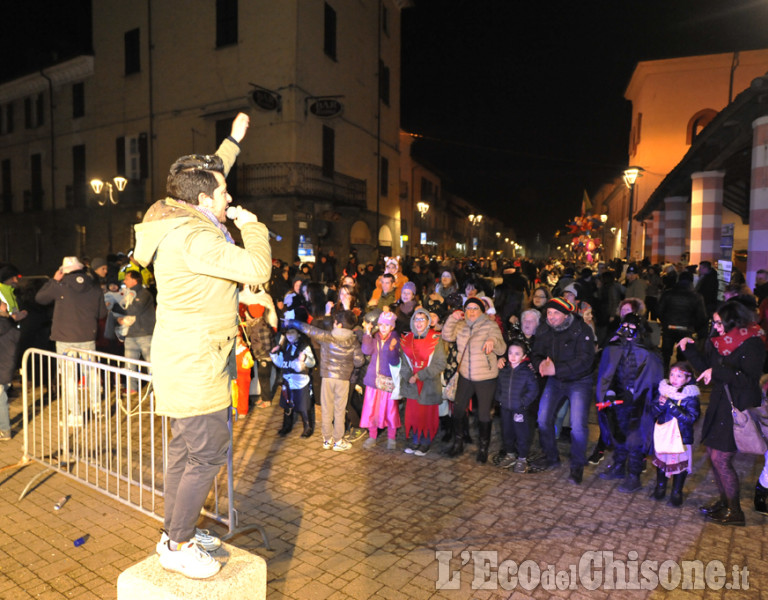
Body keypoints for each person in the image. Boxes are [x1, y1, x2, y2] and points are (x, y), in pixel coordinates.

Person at [133, 113, 273, 578]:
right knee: (208, 454)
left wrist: (233, 140)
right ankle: (177, 543)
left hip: (186, 358)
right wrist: (253, 226)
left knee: (184, 453)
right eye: (223, 193)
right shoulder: (195, 237)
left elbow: (212, 173)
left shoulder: (181, 213)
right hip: (196, 366)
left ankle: (176, 530)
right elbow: (256, 269)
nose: (229, 196)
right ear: (203, 200)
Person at [678, 301, 766, 526]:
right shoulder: (722, 341)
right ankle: (726, 503)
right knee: (714, 455)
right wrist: (689, 348)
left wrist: (718, 371)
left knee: (721, 458)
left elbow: (748, 380)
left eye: (720, 322)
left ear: (733, 321)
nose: (716, 327)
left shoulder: (752, 343)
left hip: (737, 405)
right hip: (720, 403)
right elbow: (706, 367)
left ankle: (735, 512)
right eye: (714, 322)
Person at [529, 297, 596, 484]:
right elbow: (536, 353)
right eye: (549, 313)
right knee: (543, 419)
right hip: (555, 380)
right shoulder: (544, 329)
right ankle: (551, 456)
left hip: (579, 381)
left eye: (556, 313)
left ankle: (577, 465)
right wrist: (540, 363)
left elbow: (585, 361)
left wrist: (557, 369)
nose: (551, 317)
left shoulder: (582, 330)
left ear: (567, 314)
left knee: (578, 426)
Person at [595, 312, 663, 492]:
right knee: (618, 433)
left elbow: (653, 380)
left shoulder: (649, 354)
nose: (627, 331)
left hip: (640, 403)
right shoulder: (613, 348)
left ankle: (634, 476)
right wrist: (608, 392)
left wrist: (644, 398)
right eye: (624, 327)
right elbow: (607, 373)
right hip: (617, 400)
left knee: (636, 439)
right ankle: (618, 467)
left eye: (632, 328)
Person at [286, 311, 364, 452]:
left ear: (338, 324)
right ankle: (338, 441)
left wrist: (292, 322)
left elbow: (309, 329)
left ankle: (327, 439)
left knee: (327, 409)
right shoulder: (353, 341)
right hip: (343, 380)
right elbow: (359, 361)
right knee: (340, 411)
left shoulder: (327, 337)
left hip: (327, 378)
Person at [441, 297, 506, 462]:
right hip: (465, 375)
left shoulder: (490, 325)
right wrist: (451, 318)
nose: (471, 311)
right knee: (458, 410)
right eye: (468, 308)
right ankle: (458, 443)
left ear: (481, 311)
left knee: (483, 415)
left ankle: (483, 448)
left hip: (485, 377)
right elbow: (447, 335)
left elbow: (502, 348)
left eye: (475, 308)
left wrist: (493, 340)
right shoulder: (461, 325)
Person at [650, 361, 701, 506]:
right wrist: (659, 405)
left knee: (680, 466)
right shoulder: (663, 391)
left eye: (679, 376)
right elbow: (652, 412)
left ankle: (676, 491)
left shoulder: (690, 397)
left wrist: (671, 405)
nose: (674, 378)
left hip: (681, 438)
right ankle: (660, 487)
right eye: (672, 374)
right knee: (662, 463)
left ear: (688, 378)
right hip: (665, 435)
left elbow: (691, 418)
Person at [399, 308, 447, 456]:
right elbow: (404, 363)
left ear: (428, 322)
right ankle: (415, 439)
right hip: (412, 384)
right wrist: (408, 377)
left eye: (422, 319)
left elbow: (440, 363)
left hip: (428, 383)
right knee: (414, 413)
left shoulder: (436, 339)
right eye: (416, 319)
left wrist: (420, 375)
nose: (419, 323)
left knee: (426, 414)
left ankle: (425, 441)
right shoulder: (407, 339)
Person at [494, 339, 539, 473]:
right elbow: (499, 386)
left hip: (520, 410)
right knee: (507, 431)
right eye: (510, 353)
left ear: (524, 356)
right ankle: (510, 454)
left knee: (521, 433)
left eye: (517, 354)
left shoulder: (527, 373)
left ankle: (522, 458)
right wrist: (499, 399)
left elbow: (533, 390)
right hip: (505, 408)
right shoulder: (504, 371)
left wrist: (523, 403)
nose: (513, 356)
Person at [361, 311, 402, 450]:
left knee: (391, 410)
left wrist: (392, 349)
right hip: (374, 380)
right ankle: (372, 436)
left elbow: (395, 361)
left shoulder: (395, 339)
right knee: (372, 410)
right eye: (381, 324)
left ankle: (391, 437)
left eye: (387, 325)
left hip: (388, 381)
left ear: (392, 327)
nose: (383, 327)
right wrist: (367, 333)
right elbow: (366, 350)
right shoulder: (374, 338)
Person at [111, 270, 155, 394]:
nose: (124, 281)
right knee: (130, 364)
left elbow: (135, 309)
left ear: (134, 280)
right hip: (131, 334)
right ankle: (132, 388)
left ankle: (156, 386)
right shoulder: (128, 294)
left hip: (145, 333)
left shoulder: (144, 293)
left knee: (150, 362)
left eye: (127, 278)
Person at [270, 323, 316, 437]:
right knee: (287, 404)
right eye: (287, 333)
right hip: (287, 380)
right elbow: (281, 362)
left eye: (292, 332)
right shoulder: (285, 346)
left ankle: (307, 427)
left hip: (300, 381)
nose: (289, 335)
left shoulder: (304, 347)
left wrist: (305, 358)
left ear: (299, 334)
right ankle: (287, 426)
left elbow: (312, 363)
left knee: (303, 406)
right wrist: (273, 354)